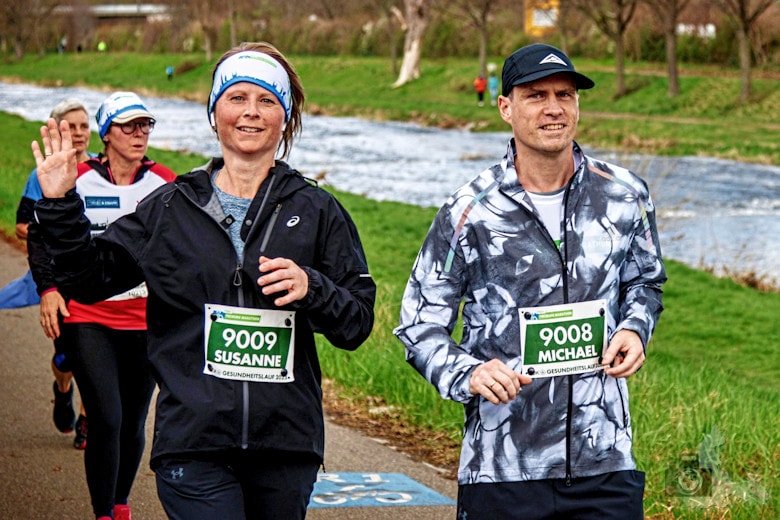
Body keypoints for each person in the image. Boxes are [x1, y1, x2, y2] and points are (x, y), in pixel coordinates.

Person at [31, 41, 376, 520]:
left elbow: (357, 322)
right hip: (193, 444)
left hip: (285, 445)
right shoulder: (172, 207)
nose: (251, 113)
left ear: (286, 117)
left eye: (267, 101)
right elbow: (89, 279)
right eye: (236, 98)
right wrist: (60, 202)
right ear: (214, 113)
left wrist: (312, 287)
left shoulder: (317, 211)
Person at [394, 43, 666, 519]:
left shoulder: (625, 195)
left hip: (604, 461)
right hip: (503, 468)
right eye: (536, 95)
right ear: (506, 107)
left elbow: (645, 282)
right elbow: (419, 327)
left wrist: (634, 329)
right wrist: (469, 372)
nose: (554, 108)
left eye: (565, 94)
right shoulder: (469, 212)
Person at [29, 91, 177, 520]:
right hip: (89, 316)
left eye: (146, 125)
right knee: (106, 417)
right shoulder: (77, 177)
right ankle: (102, 514)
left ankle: (120, 504)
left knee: (132, 422)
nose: (139, 133)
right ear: (107, 132)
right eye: (129, 126)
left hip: (145, 321)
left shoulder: (164, 183)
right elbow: (41, 236)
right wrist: (49, 289)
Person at [15, 98, 94, 449]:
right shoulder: (43, 172)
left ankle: (86, 420)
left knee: (93, 357)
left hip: (96, 280)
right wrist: (58, 232)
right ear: (59, 130)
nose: (78, 133)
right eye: (71, 126)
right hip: (60, 280)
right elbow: (22, 225)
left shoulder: (101, 171)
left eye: (83, 126)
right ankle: (63, 388)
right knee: (66, 358)